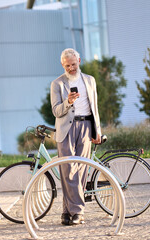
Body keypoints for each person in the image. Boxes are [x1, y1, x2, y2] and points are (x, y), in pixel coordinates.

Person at [50, 48, 101, 225]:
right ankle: (78, 212)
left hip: (86, 126)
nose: (71, 68)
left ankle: (66, 211)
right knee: (68, 170)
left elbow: (94, 107)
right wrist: (68, 102)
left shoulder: (90, 80)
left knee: (81, 170)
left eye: (73, 64)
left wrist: (97, 130)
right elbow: (56, 111)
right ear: (62, 65)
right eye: (67, 65)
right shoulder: (57, 84)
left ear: (79, 60)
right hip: (66, 129)